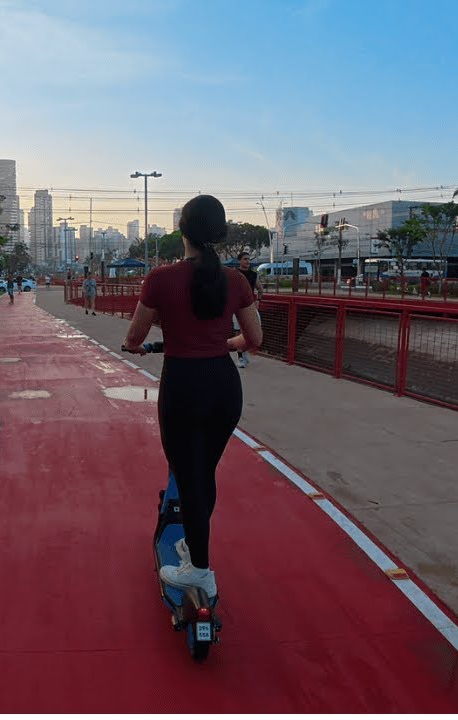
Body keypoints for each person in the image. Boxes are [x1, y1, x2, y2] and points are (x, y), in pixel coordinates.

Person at [122, 195, 263, 598]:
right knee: (205, 474)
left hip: (182, 387)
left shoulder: (160, 279)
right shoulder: (236, 280)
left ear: (182, 231)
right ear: (217, 233)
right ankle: (194, 550)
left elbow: (135, 337)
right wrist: (221, 341)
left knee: (188, 478)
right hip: (223, 386)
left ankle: (199, 570)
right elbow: (253, 339)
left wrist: (136, 347)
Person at [234, 252, 260, 368]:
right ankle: (240, 357)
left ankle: (244, 352)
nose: (248, 261)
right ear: (239, 261)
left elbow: (260, 289)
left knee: (252, 331)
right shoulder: (234, 273)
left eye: (249, 259)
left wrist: (258, 300)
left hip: (250, 307)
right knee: (238, 332)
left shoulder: (253, 274)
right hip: (237, 306)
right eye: (245, 259)